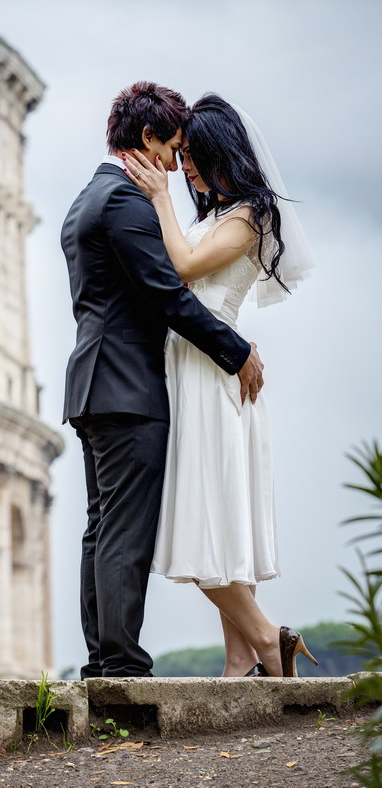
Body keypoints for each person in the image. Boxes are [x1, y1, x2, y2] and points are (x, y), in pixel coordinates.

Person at [60, 82, 264, 679]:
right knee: (124, 533)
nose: (177, 165)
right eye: (174, 149)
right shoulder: (124, 200)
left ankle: (103, 661)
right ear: (147, 139)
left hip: (93, 382)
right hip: (129, 387)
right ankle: (122, 666)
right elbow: (168, 296)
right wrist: (237, 352)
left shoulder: (86, 197)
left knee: (100, 530)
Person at [122, 93, 316, 677]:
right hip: (195, 362)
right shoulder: (217, 216)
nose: (186, 169)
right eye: (184, 158)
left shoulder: (253, 216)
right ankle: (241, 660)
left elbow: (180, 269)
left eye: (196, 156)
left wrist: (158, 199)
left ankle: (264, 637)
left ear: (225, 151)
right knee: (219, 510)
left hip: (209, 371)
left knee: (203, 512)